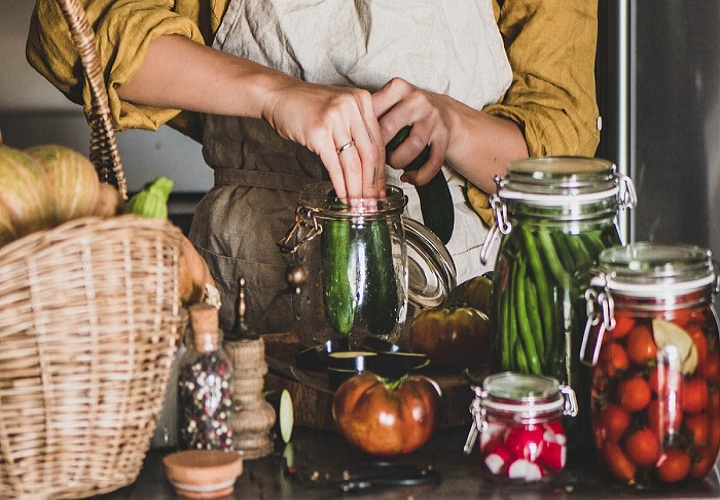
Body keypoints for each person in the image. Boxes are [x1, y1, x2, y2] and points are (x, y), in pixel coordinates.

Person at [27, 0, 600, 335]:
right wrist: (274, 94)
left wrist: (452, 124)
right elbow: (74, 30)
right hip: (255, 295)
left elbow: (562, 153)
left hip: (468, 307)